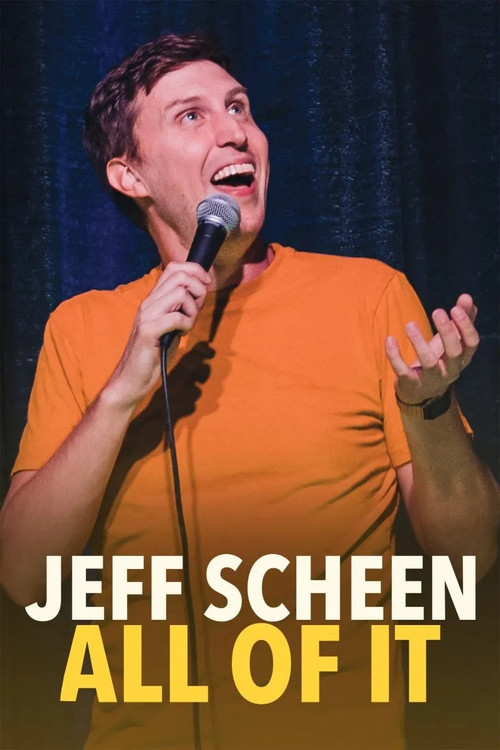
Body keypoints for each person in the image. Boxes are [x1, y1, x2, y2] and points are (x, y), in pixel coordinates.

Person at [1, 32, 498, 750]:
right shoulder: (82, 328)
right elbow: (24, 577)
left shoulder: (368, 297)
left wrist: (430, 408)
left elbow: (470, 558)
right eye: (192, 115)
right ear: (129, 175)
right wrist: (120, 394)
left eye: (239, 107)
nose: (235, 130)